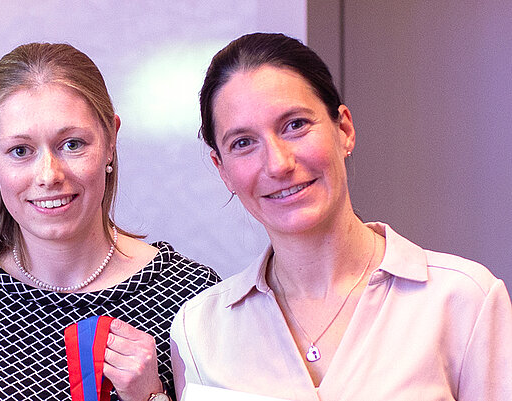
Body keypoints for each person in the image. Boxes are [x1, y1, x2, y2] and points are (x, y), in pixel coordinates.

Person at [171, 32, 512, 400]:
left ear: (344, 129)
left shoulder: (464, 300)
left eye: (295, 125)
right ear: (222, 170)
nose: (278, 164)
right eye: (243, 143)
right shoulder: (200, 328)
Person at [0, 42, 220, 401]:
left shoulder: (193, 296)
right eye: (20, 151)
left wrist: (152, 398)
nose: (49, 175)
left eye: (72, 144)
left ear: (111, 139)